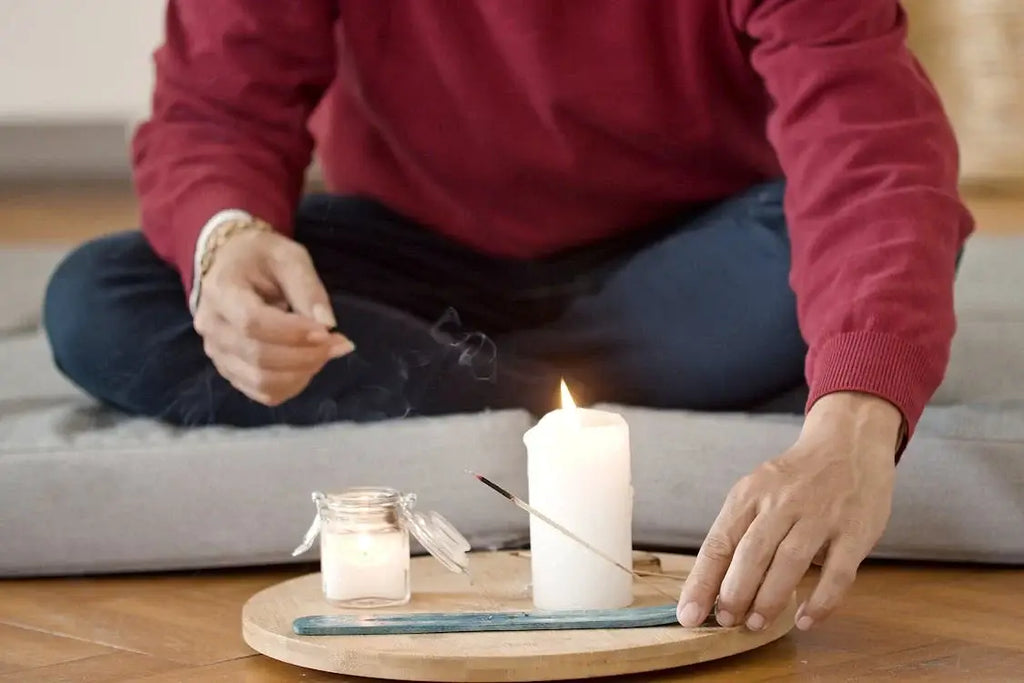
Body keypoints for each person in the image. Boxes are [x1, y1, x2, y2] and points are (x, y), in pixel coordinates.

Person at [43, 1, 972, 635]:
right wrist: (228, 242)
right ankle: (575, 408)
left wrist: (854, 415)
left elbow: (869, 146)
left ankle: (452, 388)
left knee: (825, 259)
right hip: (422, 254)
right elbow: (215, 104)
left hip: (689, 249)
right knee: (104, 294)